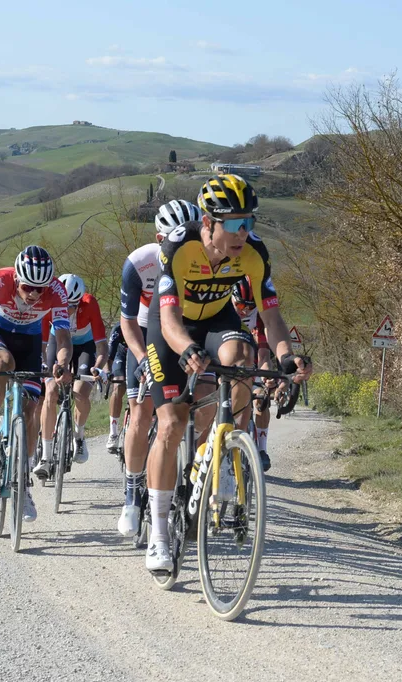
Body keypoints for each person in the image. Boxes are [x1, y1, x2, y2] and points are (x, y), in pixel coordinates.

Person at [142, 175, 311, 573]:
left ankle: (221, 449)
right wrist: (187, 349)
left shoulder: (254, 252)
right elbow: (167, 316)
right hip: (172, 326)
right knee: (171, 422)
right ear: (208, 223)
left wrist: (287, 358)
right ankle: (160, 533)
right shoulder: (179, 246)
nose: (243, 233)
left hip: (218, 318)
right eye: (234, 224)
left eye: (248, 222)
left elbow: (270, 313)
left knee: (240, 358)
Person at [0, 245, 71, 523]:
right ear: (16, 278)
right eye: (28, 287)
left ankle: (23, 485)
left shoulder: (57, 291)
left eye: (41, 289)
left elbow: (63, 339)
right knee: (0, 364)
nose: (35, 294)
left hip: (30, 340)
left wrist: (61, 364)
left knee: (30, 410)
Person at [116, 199, 202, 536]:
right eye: (173, 238)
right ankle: (131, 495)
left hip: (184, 331)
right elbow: (127, 322)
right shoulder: (139, 263)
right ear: (158, 237)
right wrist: (142, 358)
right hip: (143, 330)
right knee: (141, 412)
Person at [32, 274, 105, 481]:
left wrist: (97, 368)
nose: (67, 310)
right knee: (51, 391)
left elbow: (101, 345)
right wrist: (45, 367)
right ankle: (45, 456)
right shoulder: (50, 304)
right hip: (58, 341)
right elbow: (44, 344)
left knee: (80, 391)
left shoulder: (90, 304)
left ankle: (79, 436)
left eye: (72, 305)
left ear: (80, 300)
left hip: (85, 347)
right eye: (64, 305)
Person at [232, 276, 276, 472]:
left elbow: (264, 353)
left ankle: (261, 449)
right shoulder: (223, 309)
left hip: (253, 356)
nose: (245, 311)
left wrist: (266, 374)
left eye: (250, 306)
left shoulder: (258, 315)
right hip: (228, 358)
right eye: (241, 305)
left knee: (261, 398)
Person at [105, 323, 128, 454]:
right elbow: (109, 357)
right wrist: (107, 372)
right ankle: (113, 433)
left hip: (139, 357)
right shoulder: (118, 329)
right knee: (118, 385)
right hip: (121, 356)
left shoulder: (148, 324)